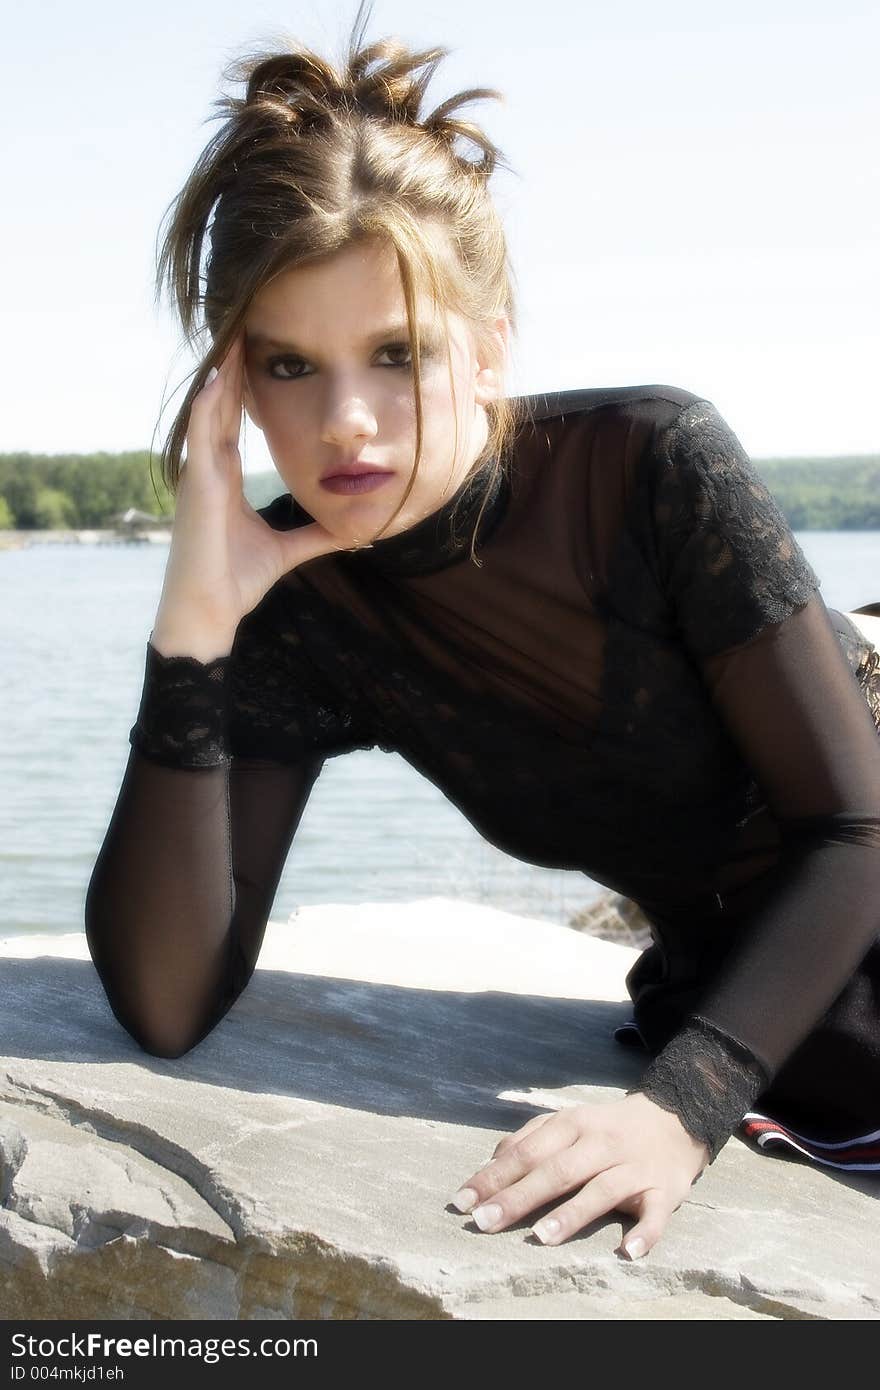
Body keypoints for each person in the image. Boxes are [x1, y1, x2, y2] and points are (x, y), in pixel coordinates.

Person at [84, 1, 880, 1263]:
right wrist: (191, 631)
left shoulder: (645, 464)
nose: (347, 422)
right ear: (229, 381)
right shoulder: (299, 597)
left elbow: (854, 823)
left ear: (487, 348)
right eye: (287, 366)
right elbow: (168, 1000)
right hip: (771, 1006)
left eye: (396, 352)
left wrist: (678, 1109)